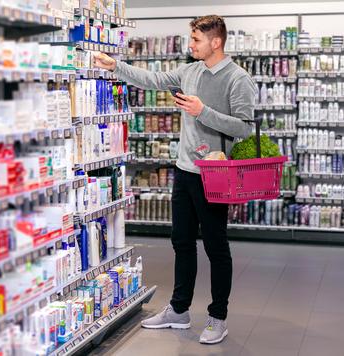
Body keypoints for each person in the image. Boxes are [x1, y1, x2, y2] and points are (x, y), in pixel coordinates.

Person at [94, 15, 256, 345]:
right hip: (184, 171)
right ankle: (179, 311)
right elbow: (152, 79)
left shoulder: (238, 79)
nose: (190, 45)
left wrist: (202, 111)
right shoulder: (189, 71)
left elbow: (244, 127)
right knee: (181, 241)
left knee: (216, 247)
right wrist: (115, 66)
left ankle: (217, 317)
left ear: (216, 42)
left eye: (196, 40)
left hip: (216, 175)